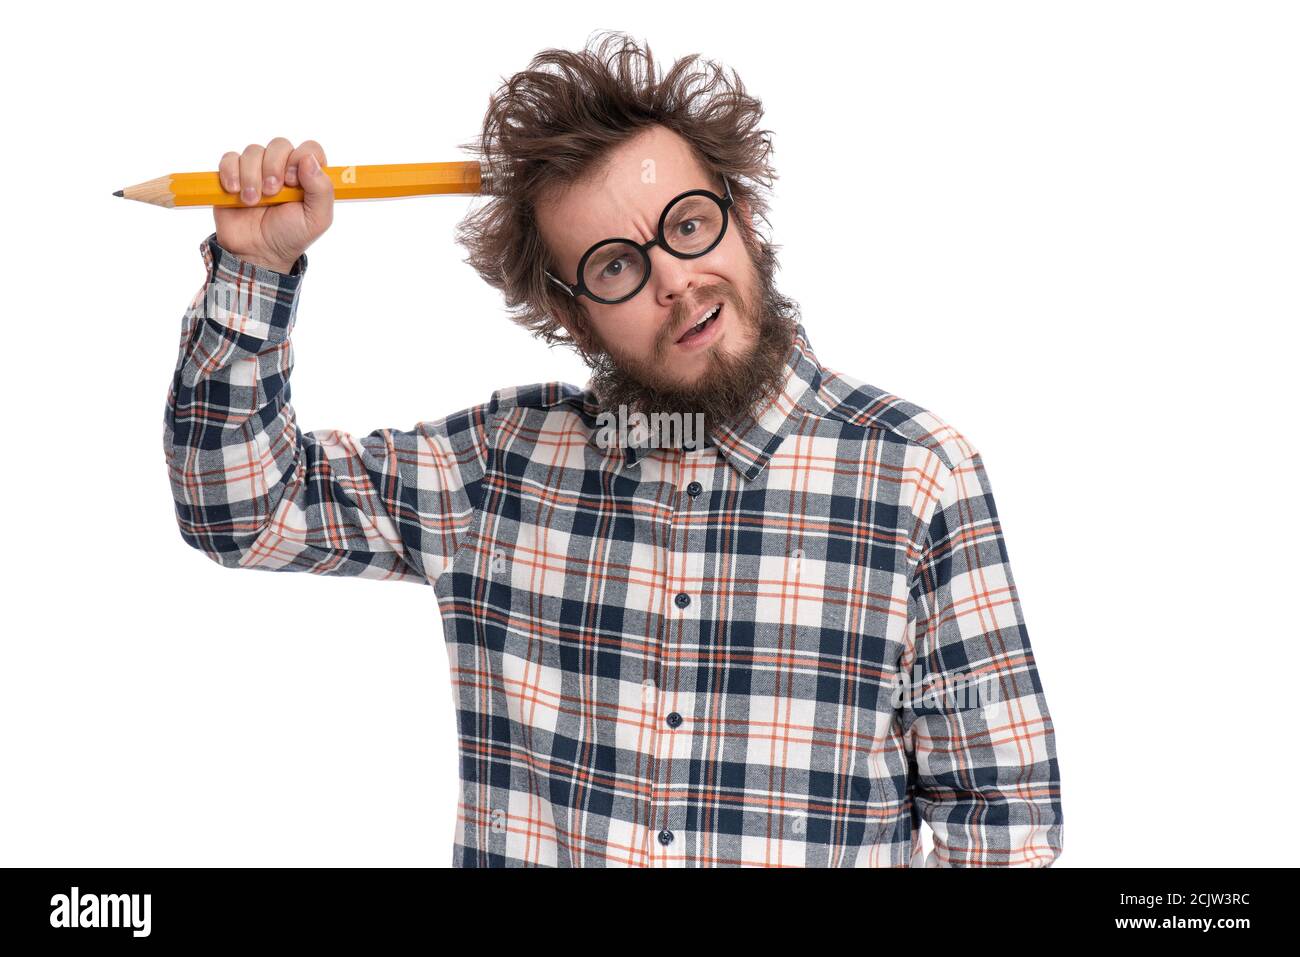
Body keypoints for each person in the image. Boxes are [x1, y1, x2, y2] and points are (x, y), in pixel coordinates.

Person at [163, 31, 1063, 867]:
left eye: (688, 224)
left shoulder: (915, 474)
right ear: (570, 312)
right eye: (617, 266)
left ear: (741, 213)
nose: (675, 280)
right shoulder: (498, 468)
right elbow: (242, 509)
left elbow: (1004, 822)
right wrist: (257, 269)